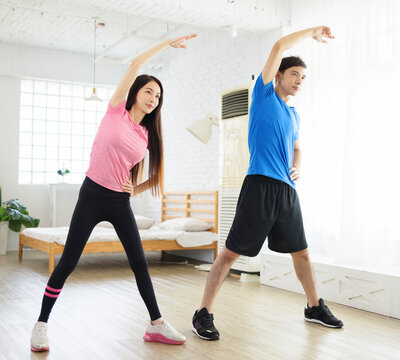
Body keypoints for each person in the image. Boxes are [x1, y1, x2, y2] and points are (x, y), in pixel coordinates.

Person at [30, 33, 197, 352]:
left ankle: (156, 325)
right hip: (92, 194)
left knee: (139, 263)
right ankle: (41, 325)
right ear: (135, 93)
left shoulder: (146, 135)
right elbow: (136, 63)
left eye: (158, 96)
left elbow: (154, 175)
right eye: (149, 91)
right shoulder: (115, 111)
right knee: (67, 262)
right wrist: (168, 43)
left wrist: (134, 188)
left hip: (119, 202)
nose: (153, 98)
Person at [192, 26, 343, 341]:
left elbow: (298, 148)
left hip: (286, 191)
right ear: (278, 75)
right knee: (232, 253)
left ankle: (314, 306)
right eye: (294, 74)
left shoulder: (294, 115)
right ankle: (203, 312)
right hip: (259, 184)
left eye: (303, 77)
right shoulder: (262, 95)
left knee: (301, 252)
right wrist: (312, 32)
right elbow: (278, 44)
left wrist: (297, 168)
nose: (299, 81)